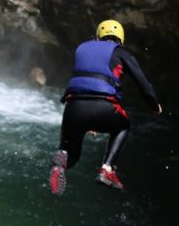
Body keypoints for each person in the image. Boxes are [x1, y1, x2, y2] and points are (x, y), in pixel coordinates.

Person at [49, 19, 162, 196]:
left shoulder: (82, 48)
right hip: (104, 106)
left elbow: (87, 79)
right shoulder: (121, 52)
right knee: (123, 124)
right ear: (120, 38)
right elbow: (143, 83)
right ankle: (107, 169)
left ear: (98, 35)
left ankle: (60, 164)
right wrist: (154, 105)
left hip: (73, 108)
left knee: (72, 153)